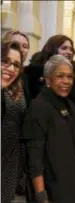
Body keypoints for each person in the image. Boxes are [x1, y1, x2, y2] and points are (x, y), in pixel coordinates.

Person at [22, 55, 75, 203]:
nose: (66, 81)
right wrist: (41, 196)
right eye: (60, 76)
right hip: (53, 190)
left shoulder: (69, 104)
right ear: (47, 79)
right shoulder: (38, 108)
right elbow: (34, 158)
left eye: (69, 77)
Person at [1, 41, 31, 203]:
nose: (11, 69)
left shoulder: (14, 90)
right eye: (5, 61)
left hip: (9, 164)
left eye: (16, 65)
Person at [24, 34, 75, 109]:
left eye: (71, 49)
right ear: (52, 49)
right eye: (64, 48)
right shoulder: (34, 71)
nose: (69, 52)